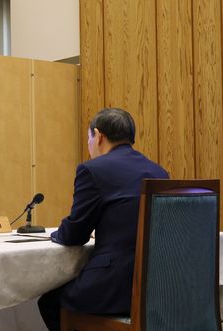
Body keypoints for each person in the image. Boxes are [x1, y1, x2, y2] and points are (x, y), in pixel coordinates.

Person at [38, 108, 169, 330]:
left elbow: (74, 235)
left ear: (98, 136)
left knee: (49, 302)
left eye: (89, 138)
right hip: (159, 287)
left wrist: (57, 233)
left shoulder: (92, 170)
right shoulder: (159, 172)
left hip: (116, 287)